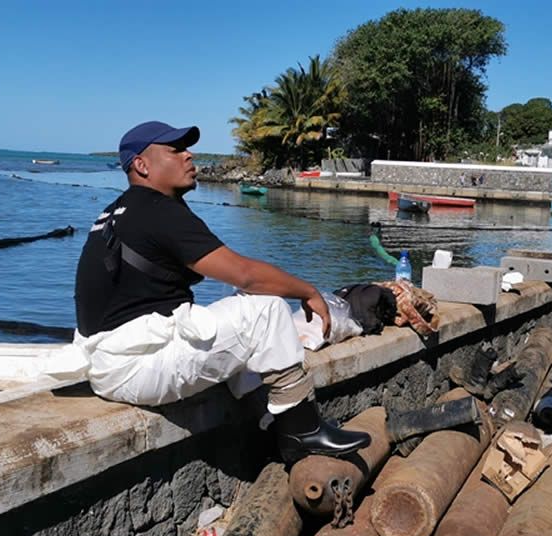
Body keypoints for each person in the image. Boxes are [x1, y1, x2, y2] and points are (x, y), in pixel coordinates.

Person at [70, 121, 370, 462]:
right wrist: (308, 290)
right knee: (265, 310)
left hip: (109, 364)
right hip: (138, 369)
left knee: (242, 313)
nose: (189, 155)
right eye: (175, 149)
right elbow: (246, 275)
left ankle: (269, 420)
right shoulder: (158, 211)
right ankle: (302, 431)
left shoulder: (118, 211)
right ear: (142, 165)